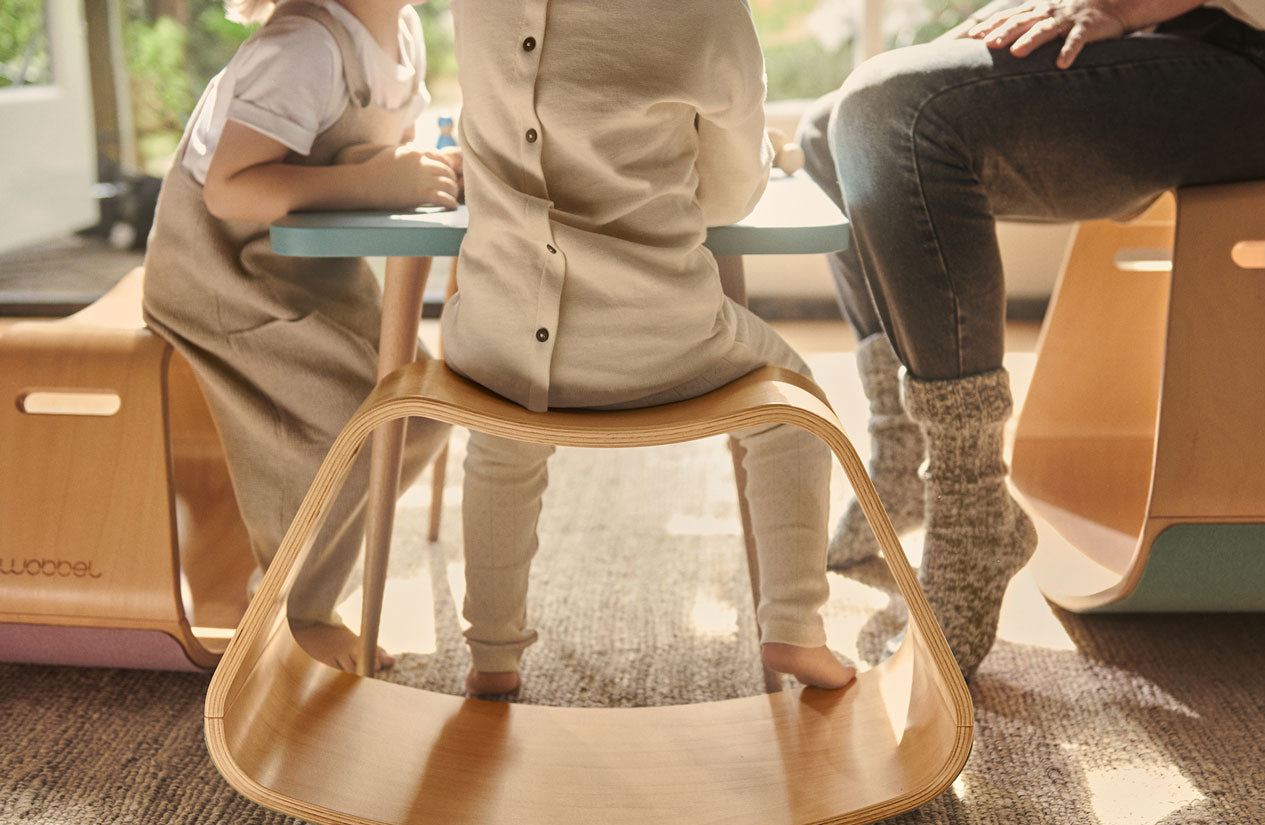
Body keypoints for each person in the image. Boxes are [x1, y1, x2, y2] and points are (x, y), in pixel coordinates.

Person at [797, 0, 1265, 677]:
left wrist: (1117, 7)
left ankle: (969, 506)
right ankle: (904, 454)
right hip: (1159, 42)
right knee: (829, 130)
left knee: (890, 112)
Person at [441, 0, 855, 697]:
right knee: (793, 402)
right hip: (662, 343)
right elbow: (727, 196)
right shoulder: (707, 13)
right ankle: (794, 625)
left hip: (501, 340)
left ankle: (493, 658)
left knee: (501, 438)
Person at [142, 0, 457, 672]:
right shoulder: (302, 48)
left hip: (313, 276)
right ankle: (289, 610)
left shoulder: (400, 34)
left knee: (421, 415)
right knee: (347, 426)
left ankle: (303, 586)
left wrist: (401, 166)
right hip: (226, 283)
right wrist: (370, 181)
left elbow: (351, 143)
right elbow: (229, 189)